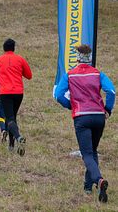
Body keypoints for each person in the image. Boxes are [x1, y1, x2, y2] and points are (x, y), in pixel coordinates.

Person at [55, 44, 115, 202]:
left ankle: (99, 179)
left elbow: (58, 95)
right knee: (93, 150)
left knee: (87, 153)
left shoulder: (70, 75)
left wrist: (71, 105)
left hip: (81, 116)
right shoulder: (98, 74)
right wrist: (107, 109)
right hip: (98, 116)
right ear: (90, 58)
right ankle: (88, 186)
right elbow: (112, 91)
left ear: (77, 58)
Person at [0, 38, 32, 156]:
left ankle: (18, 137)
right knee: (12, 117)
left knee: (10, 118)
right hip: (18, 92)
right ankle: (11, 145)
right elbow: (29, 75)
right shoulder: (20, 59)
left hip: (5, 93)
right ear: (14, 48)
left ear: (3, 48)